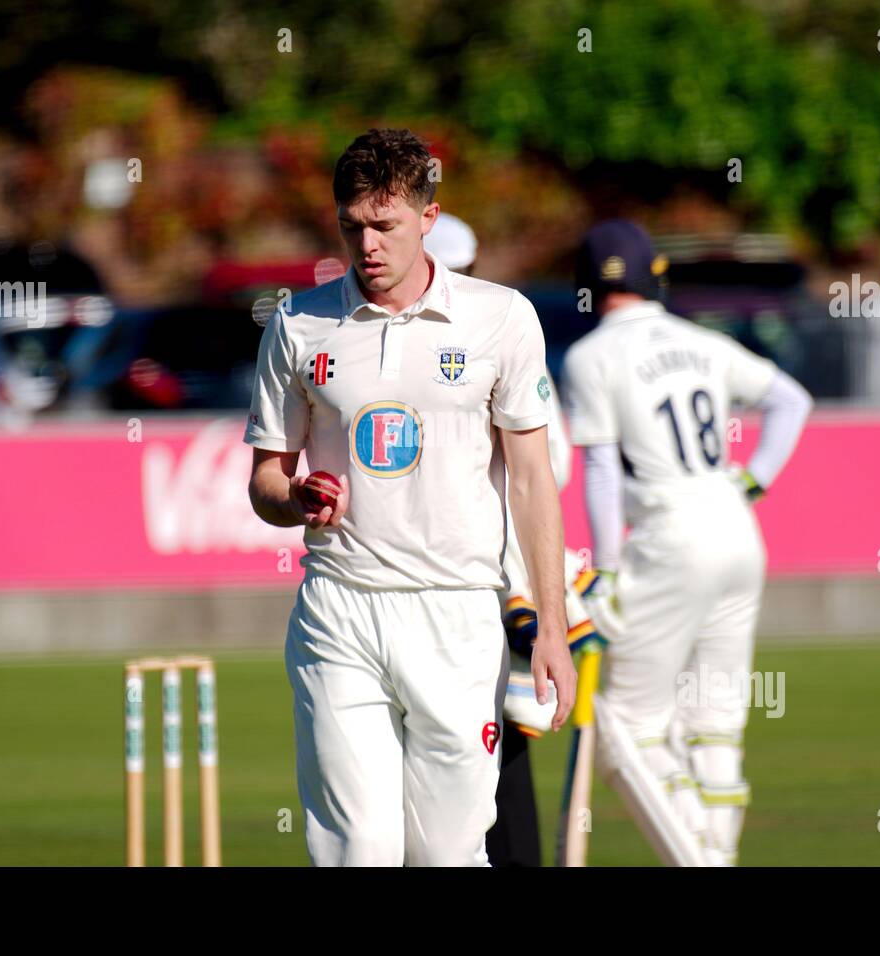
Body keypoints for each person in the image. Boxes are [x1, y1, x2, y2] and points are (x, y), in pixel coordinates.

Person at [245, 128, 577, 866]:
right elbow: (266, 479)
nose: (367, 245)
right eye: (351, 225)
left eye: (385, 226)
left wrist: (550, 624)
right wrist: (294, 496)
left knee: (447, 855)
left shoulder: (501, 318)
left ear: (429, 218)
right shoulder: (298, 325)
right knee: (360, 848)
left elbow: (530, 480)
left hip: (457, 611)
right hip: (341, 607)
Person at [562, 219, 811, 866]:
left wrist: (608, 569)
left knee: (625, 729)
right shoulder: (701, 341)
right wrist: (755, 479)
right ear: (657, 277)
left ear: (586, 286)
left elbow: (599, 470)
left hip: (671, 538)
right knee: (715, 724)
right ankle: (715, 854)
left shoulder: (590, 358)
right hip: (737, 532)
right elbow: (791, 400)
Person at [425, 211, 590, 867]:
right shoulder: (496, 324)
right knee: (491, 747)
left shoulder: (489, 330)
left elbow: (548, 468)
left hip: (483, 584)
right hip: (480, 581)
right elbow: (563, 465)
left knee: (480, 750)